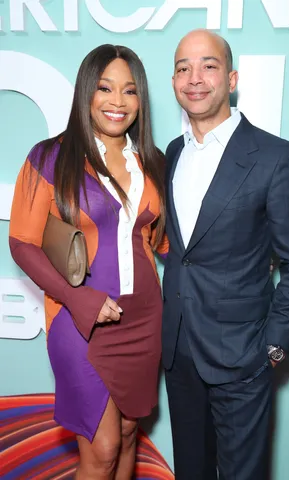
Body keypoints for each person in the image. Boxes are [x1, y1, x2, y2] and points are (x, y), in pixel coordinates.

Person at [162, 29, 289, 480]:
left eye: (208, 66)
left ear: (230, 79)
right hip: (178, 351)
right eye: (183, 67)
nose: (195, 78)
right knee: (190, 471)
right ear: (173, 81)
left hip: (242, 356)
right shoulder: (173, 153)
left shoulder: (276, 157)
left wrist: (273, 346)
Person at [9, 44, 168, 480]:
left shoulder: (150, 163)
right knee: (102, 447)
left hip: (142, 320)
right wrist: (75, 298)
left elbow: (164, 244)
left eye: (130, 91)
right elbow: (22, 242)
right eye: (105, 88)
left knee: (131, 432)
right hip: (79, 320)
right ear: (86, 92)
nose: (118, 101)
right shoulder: (49, 157)